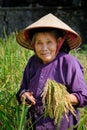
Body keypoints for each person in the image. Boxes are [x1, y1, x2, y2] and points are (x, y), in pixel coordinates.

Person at [16, 13, 87, 130]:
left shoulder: (68, 63)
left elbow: (84, 96)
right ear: (33, 45)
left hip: (62, 125)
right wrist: (24, 95)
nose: (44, 48)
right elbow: (22, 90)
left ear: (58, 42)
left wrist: (62, 98)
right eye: (39, 43)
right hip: (33, 124)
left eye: (49, 42)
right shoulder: (32, 63)